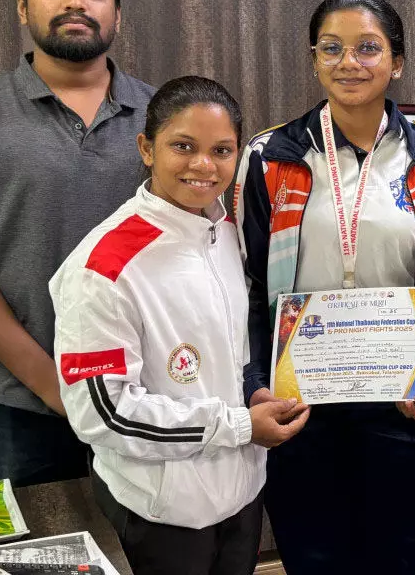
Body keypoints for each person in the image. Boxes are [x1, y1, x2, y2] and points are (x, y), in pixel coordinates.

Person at [236, 0, 415, 574]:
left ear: (397, 62)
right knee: (312, 557)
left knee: (391, 557)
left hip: (398, 401)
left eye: (367, 47)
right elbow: (250, 286)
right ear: (314, 58)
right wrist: (257, 384)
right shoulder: (270, 157)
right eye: (331, 48)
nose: (349, 62)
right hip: (299, 400)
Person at [49, 76, 309, 575]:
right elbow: (103, 413)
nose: (204, 165)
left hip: (242, 497)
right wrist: (238, 425)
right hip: (162, 512)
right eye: (183, 146)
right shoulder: (102, 267)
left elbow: (231, 353)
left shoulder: (227, 232)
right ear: (147, 149)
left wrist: (253, 393)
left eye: (221, 150)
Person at [0, 0, 155, 486]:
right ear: (23, 6)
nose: (74, 3)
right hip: (26, 402)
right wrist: (53, 384)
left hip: (149, 392)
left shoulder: (164, 117)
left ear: (117, 12)